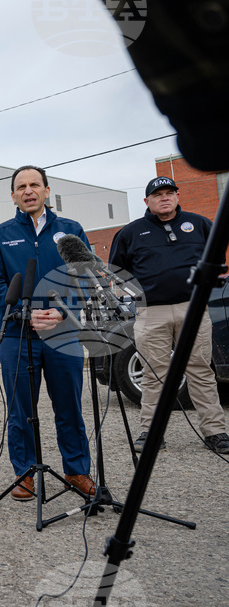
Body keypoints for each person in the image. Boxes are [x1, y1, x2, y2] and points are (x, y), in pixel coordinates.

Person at [0, 165, 96, 501]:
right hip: (18, 337)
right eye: (21, 186)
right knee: (21, 410)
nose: (28, 191)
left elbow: (85, 277)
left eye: (35, 184)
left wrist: (62, 311)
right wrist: (24, 312)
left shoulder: (71, 230)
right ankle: (26, 473)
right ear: (13, 195)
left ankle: (76, 471)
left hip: (63, 335)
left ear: (47, 190)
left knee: (69, 408)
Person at [110, 176, 229, 454]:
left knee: (201, 371)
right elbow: (116, 273)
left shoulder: (200, 224)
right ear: (147, 201)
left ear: (177, 196)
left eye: (169, 193)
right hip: (151, 313)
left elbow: (217, 262)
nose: (164, 197)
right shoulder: (130, 233)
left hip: (193, 309)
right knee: (153, 375)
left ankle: (216, 433)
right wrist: (139, 294)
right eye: (158, 194)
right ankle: (151, 434)